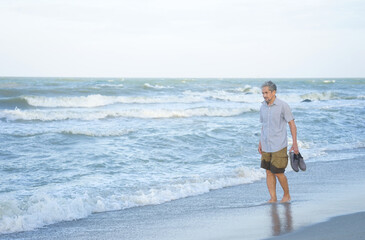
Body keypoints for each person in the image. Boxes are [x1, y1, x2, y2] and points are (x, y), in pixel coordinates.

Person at [258, 81, 299, 203]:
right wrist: (260, 142)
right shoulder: (262, 107)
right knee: (269, 172)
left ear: (273, 92)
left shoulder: (283, 105)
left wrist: (295, 144)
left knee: (279, 172)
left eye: (266, 93)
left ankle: (287, 195)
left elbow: (292, 124)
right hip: (266, 144)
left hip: (279, 145)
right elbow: (263, 126)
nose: (264, 95)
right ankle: (273, 197)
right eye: (263, 93)